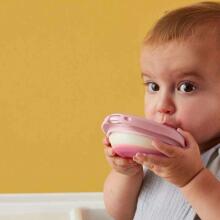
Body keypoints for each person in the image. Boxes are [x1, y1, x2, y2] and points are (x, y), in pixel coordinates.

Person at [102, 2, 220, 220]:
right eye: (153, 86)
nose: (161, 105)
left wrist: (193, 179)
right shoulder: (156, 151)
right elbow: (121, 213)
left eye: (186, 87)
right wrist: (127, 173)